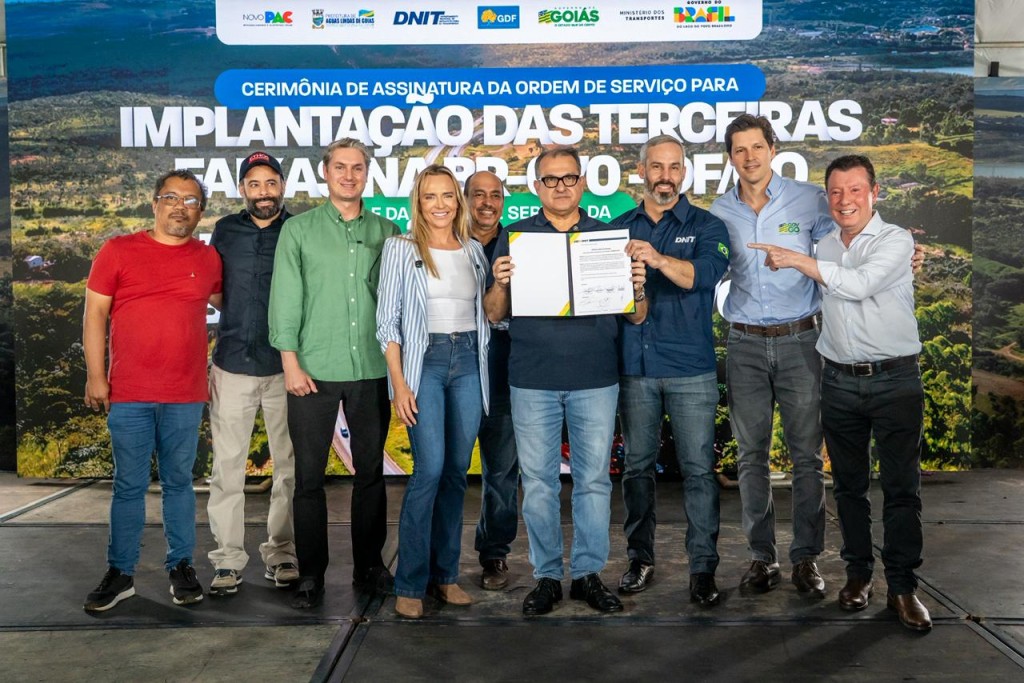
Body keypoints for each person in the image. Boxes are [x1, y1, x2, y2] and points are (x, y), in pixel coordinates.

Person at [749, 154, 931, 632]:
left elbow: (860, 284)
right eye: (835, 192)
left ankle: (902, 587)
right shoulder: (827, 244)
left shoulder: (896, 240)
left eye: (854, 190)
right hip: (838, 381)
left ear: (874, 193)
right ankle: (858, 576)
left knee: (901, 489)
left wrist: (798, 260)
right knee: (848, 488)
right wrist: (802, 261)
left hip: (894, 380)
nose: (844, 200)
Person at [485, 146, 647, 616]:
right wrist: (500, 282)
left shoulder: (609, 238)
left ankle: (589, 574)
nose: (561, 186)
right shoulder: (515, 237)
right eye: (550, 179)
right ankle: (548, 577)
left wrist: (637, 288)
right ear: (536, 187)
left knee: (593, 482)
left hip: (595, 378)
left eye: (569, 178)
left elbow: (637, 316)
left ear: (583, 183)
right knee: (538, 484)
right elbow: (493, 313)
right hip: (531, 379)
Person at [82, 169, 222, 611]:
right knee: (129, 485)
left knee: (179, 483)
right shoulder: (118, 251)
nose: (181, 206)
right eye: (171, 197)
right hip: (130, 392)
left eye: (191, 200)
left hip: (185, 393)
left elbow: (238, 306)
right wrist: (96, 375)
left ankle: (181, 566)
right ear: (155, 203)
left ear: (201, 211)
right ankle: (120, 572)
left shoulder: (208, 258)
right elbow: (94, 315)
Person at [269, 138, 400, 609]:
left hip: (370, 369)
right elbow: (285, 298)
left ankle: (370, 566)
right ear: (325, 173)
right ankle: (311, 574)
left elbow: (396, 303)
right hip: (312, 370)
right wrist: (289, 362)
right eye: (340, 167)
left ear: (367, 174)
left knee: (371, 474)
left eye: (357, 167)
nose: (349, 175)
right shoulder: (298, 230)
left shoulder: (388, 232)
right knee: (308, 478)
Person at [710, 114, 833, 598]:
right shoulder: (720, 210)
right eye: (739, 150)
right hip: (743, 345)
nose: (749, 157)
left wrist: (903, 253)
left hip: (801, 341)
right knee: (750, 457)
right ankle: (763, 558)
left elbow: (849, 243)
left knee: (806, 457)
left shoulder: (809, 199)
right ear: (730, 157)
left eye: (757, 147)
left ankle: (806, 559)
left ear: (773, 149)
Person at [612, 135, 730, 606]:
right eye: (657, 167)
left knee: (699, 471)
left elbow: (703, 277)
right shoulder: (615, 230)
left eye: (674, 167)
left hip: (690, 369)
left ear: (684, 172)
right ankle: (639, 560)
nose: (666, 176)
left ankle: (702, 569)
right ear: (642, 171)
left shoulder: (708, 225)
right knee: (637, 470)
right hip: (635, 369)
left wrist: (658, 260)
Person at [377, 165, 491, 619]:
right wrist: (399, 382)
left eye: (447, 196)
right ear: (418, 203)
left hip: (469, 362)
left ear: (457, 202)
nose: (440, 204)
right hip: (424, 362)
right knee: (430, 470)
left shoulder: (474, 250)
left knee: (457, 472)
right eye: (430, 196)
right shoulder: (401, 248)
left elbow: (488, 314)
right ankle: (409, 582)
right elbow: (387, 322)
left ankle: (445, 576)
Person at [206, 151, 298, 596]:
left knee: (289, 467)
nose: (264, 192)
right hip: (233, 364)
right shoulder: (225, 230)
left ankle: (281, 552)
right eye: (255, 184)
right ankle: (227, 560)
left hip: (287, 367)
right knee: (227, 468)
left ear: (283, 186)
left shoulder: (298, 230)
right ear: (242, 189)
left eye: (271, 183)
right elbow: (216, 290)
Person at [465, 170, 519, 591]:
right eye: (479, 195)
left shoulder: (520, 243)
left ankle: (494, 553)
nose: (487, 203)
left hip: (504, 367)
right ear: (465, 199)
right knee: (444, 469)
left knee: (501, 470)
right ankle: (436, 557)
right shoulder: (444, 241)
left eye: (495, 195)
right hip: (456, 366)